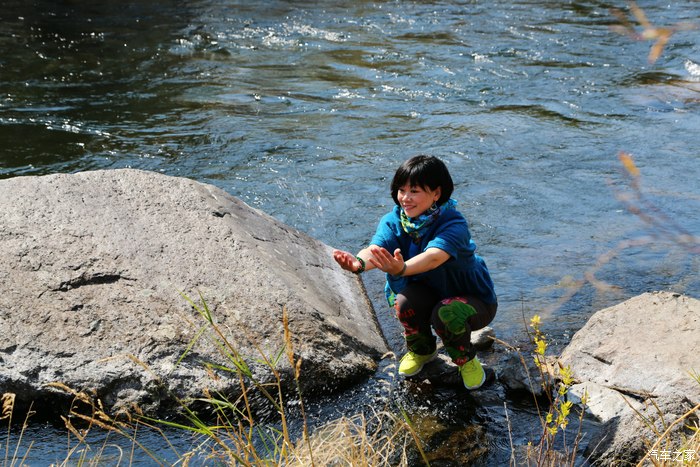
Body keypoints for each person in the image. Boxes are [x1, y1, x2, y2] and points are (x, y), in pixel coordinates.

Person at [332, 155, 497, 389]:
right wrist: (358, 263)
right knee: (404, 302)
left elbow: (434, 257)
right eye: (401, 190)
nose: (405, 198)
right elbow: (376, 250)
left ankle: (466, 360)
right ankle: (423, 351)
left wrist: (402, 268)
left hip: (473, 300)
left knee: (446, 312)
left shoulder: (454, 223)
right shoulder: (393, 221)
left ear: (436, 193)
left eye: (414, 191)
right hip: (430, 294)